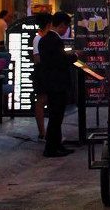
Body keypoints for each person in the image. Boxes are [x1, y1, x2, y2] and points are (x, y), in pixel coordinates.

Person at [38, 11, 79, 158]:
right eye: (66, 27)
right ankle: (51, 148)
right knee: (56, 117)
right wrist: (74, 56)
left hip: (49, 82)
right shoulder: (55, 41)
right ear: (62, 25)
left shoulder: (44, 40)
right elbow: (60, 61)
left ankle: (57, 145)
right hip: (57, 83)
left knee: (56, 116)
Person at [32, 12, 52, 141]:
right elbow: (37, 58)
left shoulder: (43, 38)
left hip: (46, 72)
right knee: (41, 102)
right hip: (42, 73)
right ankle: (42, 131)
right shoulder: (38, 39)